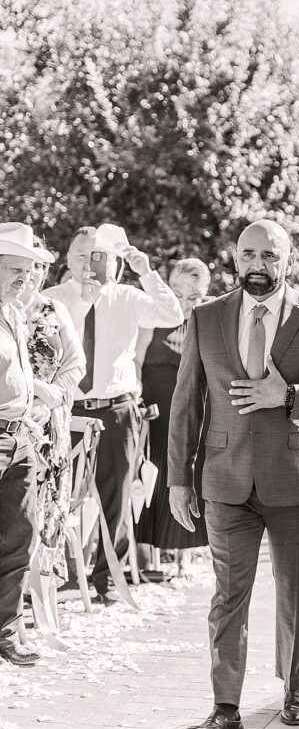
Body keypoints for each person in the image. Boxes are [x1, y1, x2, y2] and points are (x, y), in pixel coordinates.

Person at [168, 220, 299, 729]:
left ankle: (295, 687)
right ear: (235, 258)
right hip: (224, 478)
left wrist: (292, 396)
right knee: (228, 595)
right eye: (249, 254)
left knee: (295, 589)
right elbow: (186, 402)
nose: (258, 264)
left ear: (288, 259)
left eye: (269, 255)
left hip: (293, 476)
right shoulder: (206, 317)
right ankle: (225, 712)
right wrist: (178, 481)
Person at [44, 226, 183, 604]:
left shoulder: (127, 296)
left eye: (97, 256)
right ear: (68, 258)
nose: (88, 264)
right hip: (66, 410)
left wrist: (145, 271)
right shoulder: (53, 298)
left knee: (116, 499)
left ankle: (107, 581)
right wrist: (82, 301)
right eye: (80, 255)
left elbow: (172, 314)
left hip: (117, 411)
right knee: (58, 495)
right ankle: (61, 576)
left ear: (113, 261)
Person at [135, 258, 212, 574]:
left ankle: (188, 554)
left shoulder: (209, 319)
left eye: (195, 296)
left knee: (190, 473)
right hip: (154, 406)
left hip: (193, 408)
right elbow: (136, 361)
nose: (187, 302)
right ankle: (146, 554)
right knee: (154, 475)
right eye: (180, 294)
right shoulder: (151, 316)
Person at [0, 223, 54, 666]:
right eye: (16, 268)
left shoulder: (13, 311)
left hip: (18, 437)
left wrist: (35, 395)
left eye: (30, 269)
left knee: (22, 533)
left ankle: (7, 627)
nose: (26, 277)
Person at [20, 238, 85, 587]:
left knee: (45, 506)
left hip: (51, 424)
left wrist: (55, 393)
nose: (34, 273)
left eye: (41, 266)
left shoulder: (54, 310)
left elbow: (77, 363)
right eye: (26, 264)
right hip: (13, 418)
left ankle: (36, 588)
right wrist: (34, 389)